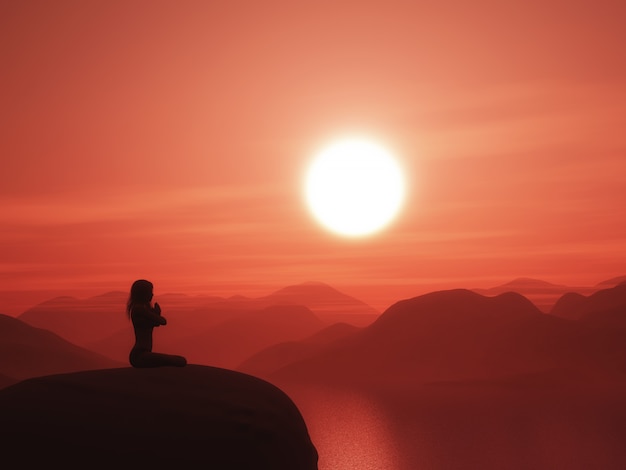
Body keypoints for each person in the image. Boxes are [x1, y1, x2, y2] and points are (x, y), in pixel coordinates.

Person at [126, 279, 187, 368]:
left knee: (179, 361)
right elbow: (162, 321)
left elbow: (156, 323)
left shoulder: (141, 310)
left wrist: (154, 315)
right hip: (139, 355)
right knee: (179, 361)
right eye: (150, 292)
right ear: (143, 293)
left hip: (142, 354)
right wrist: (157, 313)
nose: (152, 294)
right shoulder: (139, 309)